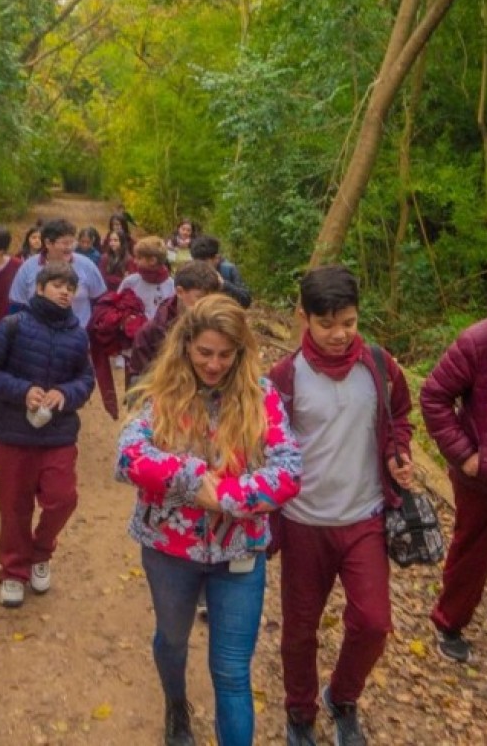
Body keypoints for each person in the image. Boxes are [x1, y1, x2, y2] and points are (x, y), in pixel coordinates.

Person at [116, 294, 302, 746]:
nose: (214, 364)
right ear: (186, 346)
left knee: (233, 671)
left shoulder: (262, 396)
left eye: (225, 354)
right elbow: (128, 455)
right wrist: (190, 476)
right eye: (204, 353)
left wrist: (229, 498)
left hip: (239, 553)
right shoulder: (163, 393)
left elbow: (289, 469)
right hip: (169, 550)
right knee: (173, 641)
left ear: (241, 352)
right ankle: (176, 703)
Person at [268, 265, 414, 746]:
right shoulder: (286, 378)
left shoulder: (378, 365)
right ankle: (300, 712)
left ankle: (343, 697)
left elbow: (400, 417)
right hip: (303, 521)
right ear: (303, 317)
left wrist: (400, 455)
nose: (338, 334)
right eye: (326, 323)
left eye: (348, 322)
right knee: (300, 630)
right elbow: (264, 444)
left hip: (364, 518)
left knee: (374, 622)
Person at [0, 263, 95, 608]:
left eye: (70, 288)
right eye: (57, 285)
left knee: (63, 498)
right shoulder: (13, 325)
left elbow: (85, 381)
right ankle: (13, 572)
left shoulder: (77, 334)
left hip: (58, 433)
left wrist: (65, 394)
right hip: (13, 433)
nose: (65, 292)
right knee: (15, 506)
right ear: (39, 289)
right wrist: (23, 390)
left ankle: (39, 553)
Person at [420, 308, 487, 664]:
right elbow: (433, 396)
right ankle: (449, 625)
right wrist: (467, 456)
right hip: (484, 481)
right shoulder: (479, 340)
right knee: (472, 556)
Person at [128, 260, 222, 386]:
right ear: (179, 292)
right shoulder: (151, 332)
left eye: (212, 298)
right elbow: (137, 383)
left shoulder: (222, 327)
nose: (207, 304)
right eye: (200, 298)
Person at [8, 218, 106, 328]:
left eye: (72, 242)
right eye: (65, 243)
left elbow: (101, 301)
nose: (69, 247)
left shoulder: (87, 266)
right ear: (48, 243)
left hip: (77, 337)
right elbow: (17, 306)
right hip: (36, 338)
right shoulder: (28, 268)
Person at [117, 236, 175, 321]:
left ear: (152, 261)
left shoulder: (171, 285)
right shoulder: (130, 282)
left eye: (139, 258)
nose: (134, 261)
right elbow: (117, 305)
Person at [189, 234, 252, 309]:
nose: (201, 266)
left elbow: (246, 300)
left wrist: (224, 285)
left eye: (205, 262)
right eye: (197, 262)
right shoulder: (190, 273)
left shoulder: (228, 270)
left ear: (216, 258)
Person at [99, 229, 136, 293]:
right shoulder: (104, 258)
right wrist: (120, 279)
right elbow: (101, 277)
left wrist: (112, 279)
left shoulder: (129, 260)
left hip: (122, 293)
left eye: (115, 240)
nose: (112, 243)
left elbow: (130, 281)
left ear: (122, 242)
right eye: (110, 240)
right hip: (106, 292)